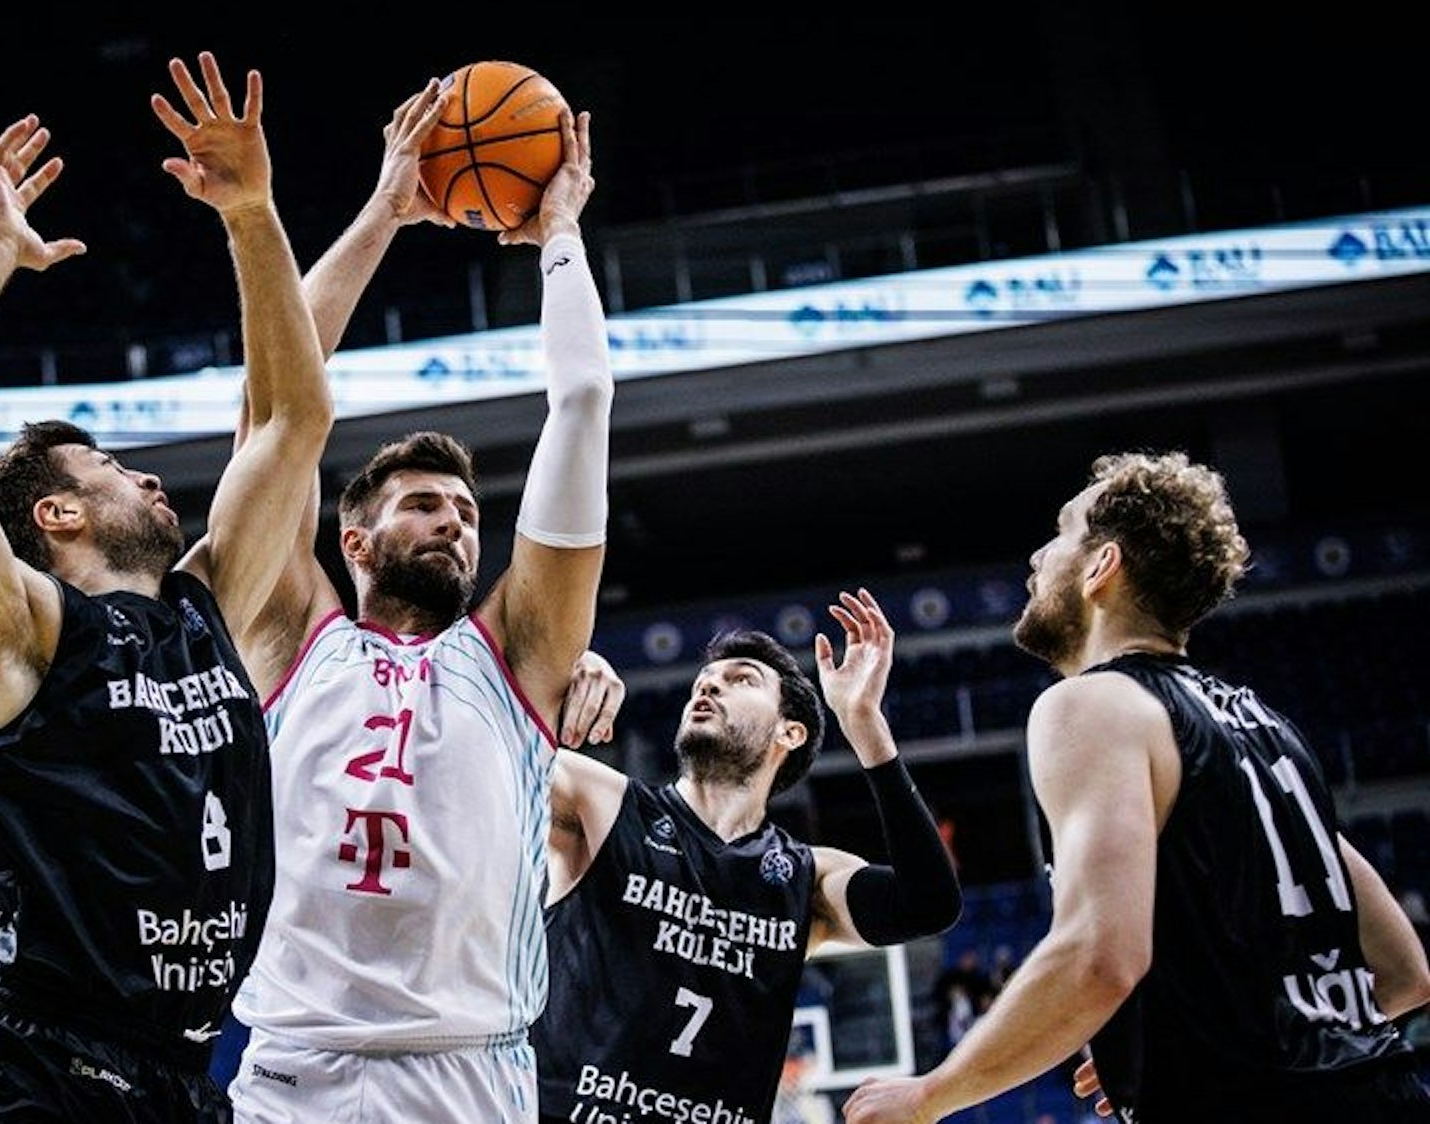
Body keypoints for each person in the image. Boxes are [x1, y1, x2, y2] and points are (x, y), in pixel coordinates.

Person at [0, 52, 329, 1124]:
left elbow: (294, 423)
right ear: (56, 515)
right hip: (48, 1079)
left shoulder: (205, 602)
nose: (149, 473)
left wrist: (251, 216)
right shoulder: (20, 630)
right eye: (114, 468)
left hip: (183, 1075)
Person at [221, 83, 613, 1121]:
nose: (455, 523)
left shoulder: (519, 653)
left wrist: (559, 234)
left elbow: (578, 403)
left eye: (465, 511)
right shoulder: (286, 633)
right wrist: (386, 212)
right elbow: (270, 405)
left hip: (468, 1070)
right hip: (291, 1067)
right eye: (422, 504)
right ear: (353, 539)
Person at [843, 451, 1430, 1123]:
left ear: (1101, 568)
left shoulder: (1093, 706)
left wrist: (930, 1095)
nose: (1037, 557)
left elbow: (1100, 955)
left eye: (1061, 533)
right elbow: (1406, 971)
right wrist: (1198, 1046)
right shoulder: (1269, 729)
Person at [534, 591, 962, 1124]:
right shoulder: (603, 804)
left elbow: (930, 905)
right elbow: (483, 745)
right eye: (703, 681)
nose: (709, 683)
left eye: (741, 679)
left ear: (790, 732)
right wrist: (553, 681)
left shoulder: (805, 879)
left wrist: (865, 725)